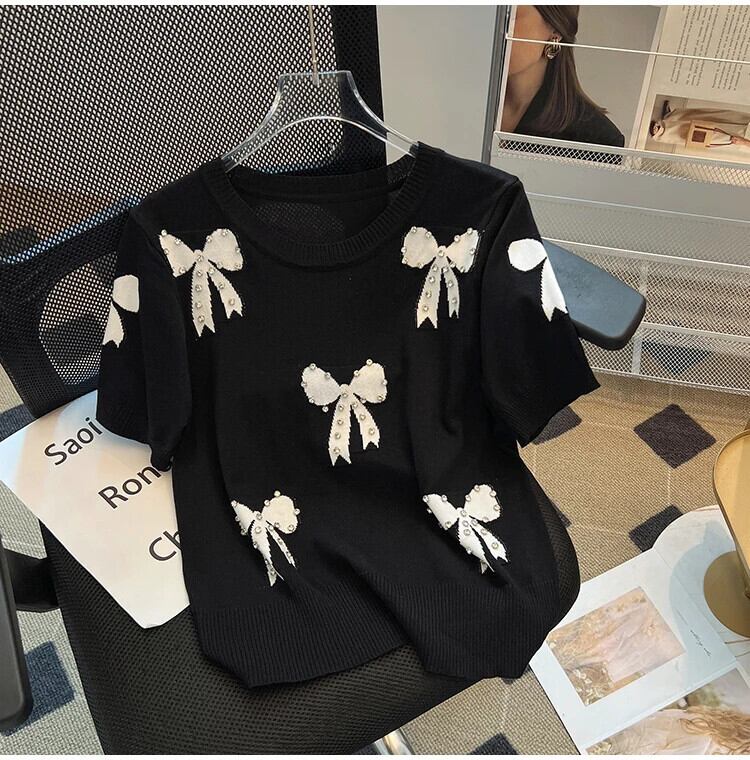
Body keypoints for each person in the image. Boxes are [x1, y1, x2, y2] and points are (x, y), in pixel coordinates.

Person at [501, 6, 625, 148]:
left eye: (509, 16)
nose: (493, 30)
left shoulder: (596, 139)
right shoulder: (480, 100)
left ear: (555, 31)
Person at [650, 100, 750, 150]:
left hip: (745, 136)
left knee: (707, 133)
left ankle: (663, 132)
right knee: (712, 116)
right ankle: (672, 117)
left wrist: (745, 142)